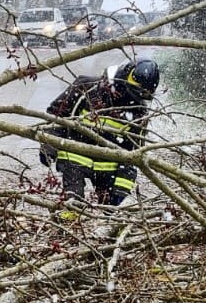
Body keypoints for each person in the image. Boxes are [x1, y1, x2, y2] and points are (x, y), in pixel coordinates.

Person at [43, 59, 159, 205]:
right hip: (74, 156)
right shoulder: (87, 87)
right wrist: (49, 144)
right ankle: (67, 222)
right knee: (73, 203)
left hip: (107, 168)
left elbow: (133, 155)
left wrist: (121, 188)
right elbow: (57, 114)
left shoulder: (138, 114)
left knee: (110, 214)